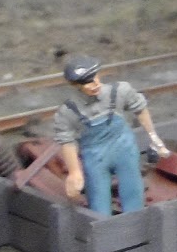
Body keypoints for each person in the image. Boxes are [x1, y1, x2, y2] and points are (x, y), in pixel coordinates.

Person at [53, 56, 167, 216]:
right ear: (75, 85)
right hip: (95, 157)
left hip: (124, 149)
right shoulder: (68, 111)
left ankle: (136, 223)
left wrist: (154, 138)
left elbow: (140, 108)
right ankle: (103, 227)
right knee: (98, 199)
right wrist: (74, 172)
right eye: (86, 82)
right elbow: (67, 141)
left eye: (94, 77)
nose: (94, 84)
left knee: (133, 191)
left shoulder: (120, 91)